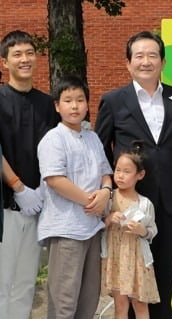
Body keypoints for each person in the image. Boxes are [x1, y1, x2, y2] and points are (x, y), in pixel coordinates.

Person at [95, 31, 172, 319]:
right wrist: (108, 192)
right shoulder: (113, 100)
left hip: (170, 200)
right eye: (139, 55)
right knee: (131, 280)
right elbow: (100, 153)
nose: (146, 61)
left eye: (152, 55)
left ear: (162, 62)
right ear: (128, 63)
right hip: (129, 206)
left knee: (163, 274)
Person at [37, 75, 113, 319]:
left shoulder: (92, 138)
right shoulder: (53, 139)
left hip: (92, 227)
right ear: (57, 106)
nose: (74, 106)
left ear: (87, 104)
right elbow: (54, 179)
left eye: (80, 100)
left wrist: (105, 192)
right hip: (67, 228)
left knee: (89, 298)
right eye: (68, 100)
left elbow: (106, 173)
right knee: (64, 301)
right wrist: (91, 202)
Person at [0, 30, 59, 319]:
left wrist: (44, 191)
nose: (25, 59)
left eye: (29, 53)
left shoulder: (48, 104)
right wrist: (18, 187)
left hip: (38, 207)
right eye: (17, 54)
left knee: (25, 283)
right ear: (5, 63)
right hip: (6, 206)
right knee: (2, 282)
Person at [101, 141, 160, 319]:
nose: (120, 176)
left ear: (140, 175)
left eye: (127, 172)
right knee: (120, 304)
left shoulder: (144, 204)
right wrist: (110, 219)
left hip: (138, 260)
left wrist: (142, 230)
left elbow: (152, 231)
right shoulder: (109, 198)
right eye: (118, 170)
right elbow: (98, 225)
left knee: (140, 303)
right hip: (116, 258)